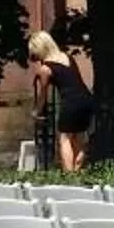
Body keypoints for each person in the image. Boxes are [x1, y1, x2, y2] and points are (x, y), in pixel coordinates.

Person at [29, 31, 95, 171]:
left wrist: (36, 112)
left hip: (70, 102)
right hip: (86, 100)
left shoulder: (45, 69)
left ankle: (69, 175)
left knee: (65, 138)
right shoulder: (67, 57)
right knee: (78, 137)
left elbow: (43, 95)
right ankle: (77, 171)